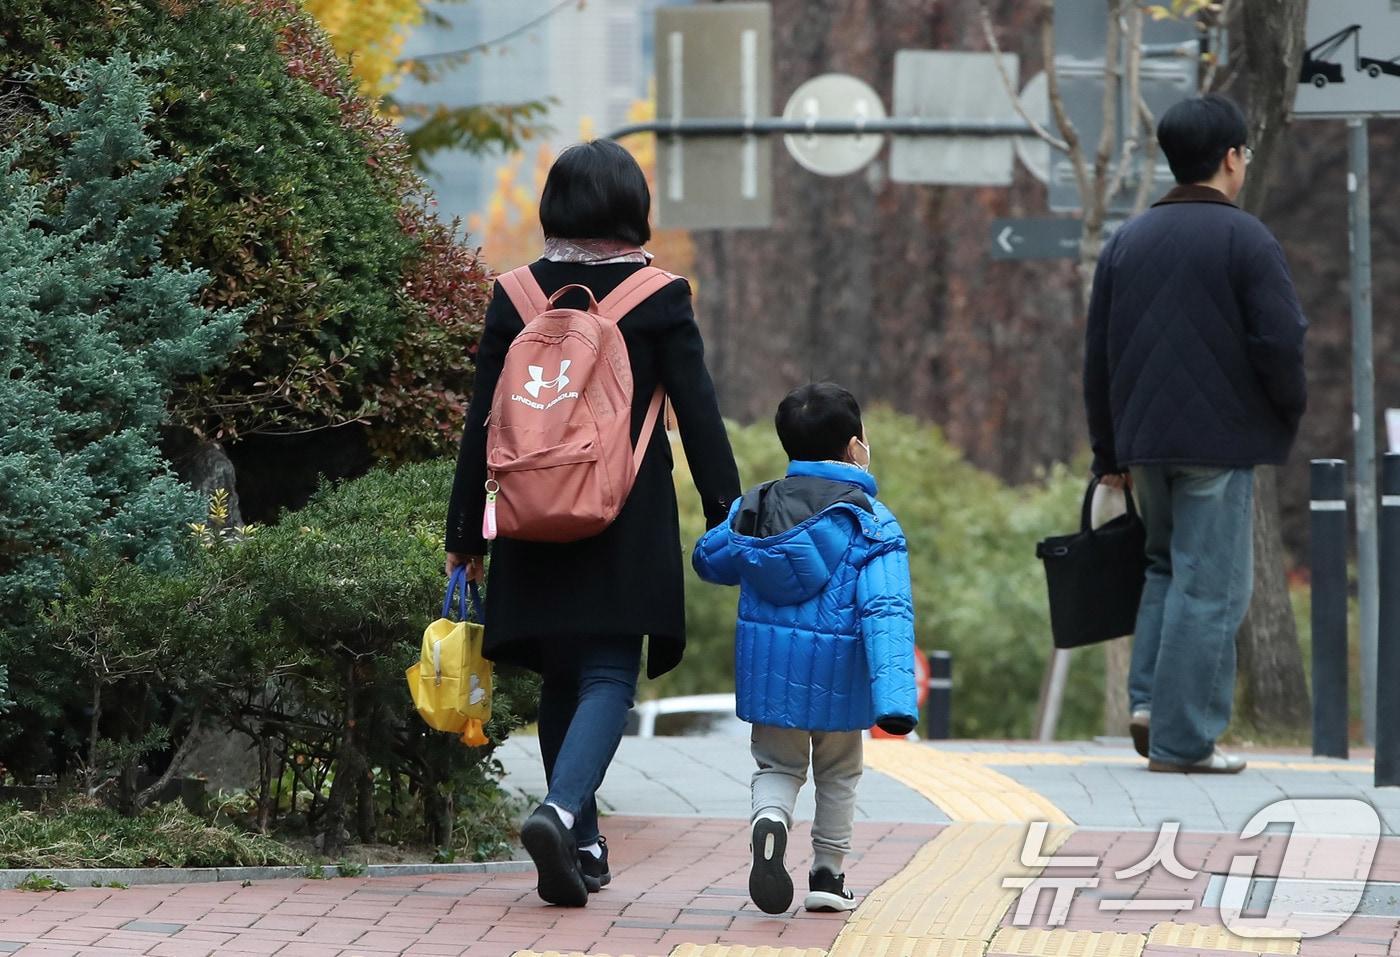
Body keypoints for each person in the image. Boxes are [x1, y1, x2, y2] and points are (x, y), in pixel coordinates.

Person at [445, 140, 740, 906]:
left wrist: (465, 538)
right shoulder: (658, 297)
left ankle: (580, 842)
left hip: (526, 510)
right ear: (630, 208)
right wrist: (725, 512)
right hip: (623, 513)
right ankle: (562, 809)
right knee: (609, 672)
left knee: (561, 675)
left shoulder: (514, 294)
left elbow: (482, 422)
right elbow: (698, 413)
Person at [1083, 94, 1308, 774]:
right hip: (1218, 442)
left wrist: (1108, 452)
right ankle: (1185, 740)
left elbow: (1099, 355)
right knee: (1213, 587)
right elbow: (1282, 340)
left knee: (1165, 567)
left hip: (1144, 443)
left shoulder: (1127, 241)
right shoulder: (1247, 239)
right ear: (1232, 158)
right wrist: (1284, 410)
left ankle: (1151, 701)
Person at [693, 383, 918, 915]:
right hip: (840, 679)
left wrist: (732, 529)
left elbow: (710, 561)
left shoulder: (757, 505)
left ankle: (770, 819)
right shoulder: (871, 520)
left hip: (771, 675)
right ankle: (828, 874)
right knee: (838, 773)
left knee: (777, 765)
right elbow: (886, 612)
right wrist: (896, 702)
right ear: (855, 446)